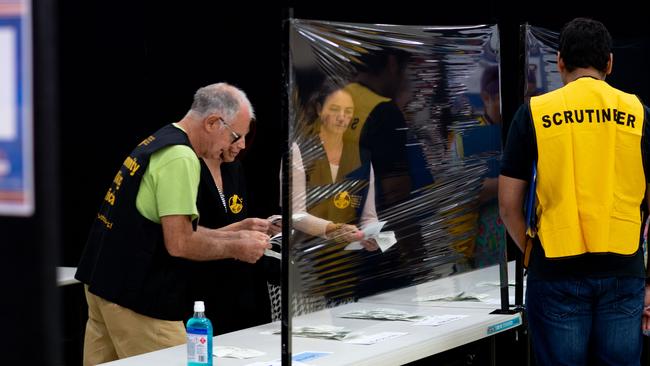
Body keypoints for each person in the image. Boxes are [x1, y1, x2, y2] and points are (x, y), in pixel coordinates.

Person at [74, 83, 271, 365]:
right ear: (214, 122)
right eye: (235, 135)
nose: (234, 146)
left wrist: (233, 233)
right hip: (139, 298)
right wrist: (237, 249)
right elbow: (179, 243)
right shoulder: (181, 156)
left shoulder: (157, 141)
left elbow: (164, 228)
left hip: (103, 284)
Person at [498, 18, 650, 365]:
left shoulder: (534, 114)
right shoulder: (638, 114)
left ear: (559, 62)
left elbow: (508, 205)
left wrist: (534, 254)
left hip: (555, 269)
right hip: (622, 268)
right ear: (609, 63)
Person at [292, 79, 379, 304]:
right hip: (308, 270)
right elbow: (295, 215)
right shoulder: (299, 151)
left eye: (348, 111)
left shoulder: (362, 155)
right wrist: (333, 230)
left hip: (349, 269)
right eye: (335, 109)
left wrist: (371, 235)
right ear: (320, 109)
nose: (342, 117)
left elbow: (368, 216)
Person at [194, 123, 281, 333]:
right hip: (202, 286)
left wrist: (263, 227)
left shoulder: (235, 168)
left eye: (245, 137)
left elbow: (238, 217)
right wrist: (242, 228)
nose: (241, 145)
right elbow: (188, 235)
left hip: (240, 285)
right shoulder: (189, 168)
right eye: (236, 137)